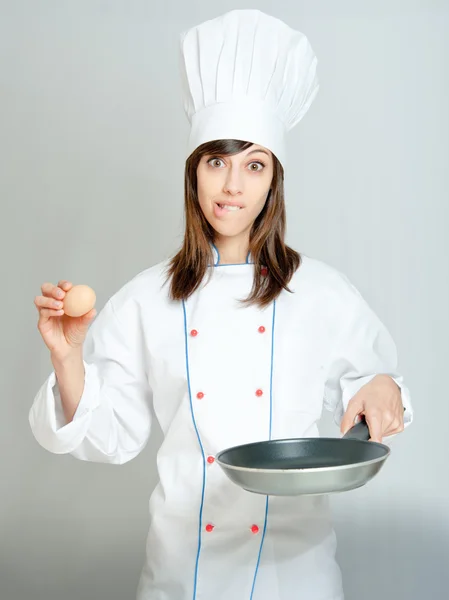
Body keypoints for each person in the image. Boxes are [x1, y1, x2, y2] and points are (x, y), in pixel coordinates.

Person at [29, 9, 413, 600]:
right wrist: (67, 359)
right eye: (217, 162)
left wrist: (385, 389)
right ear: (194, 173)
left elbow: (376, 396)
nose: (233, 186)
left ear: (272, 181)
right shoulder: (146, 299)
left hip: (298, 576)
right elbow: (108, 435)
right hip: (183, 574)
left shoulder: (323, 293)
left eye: (254, 165)